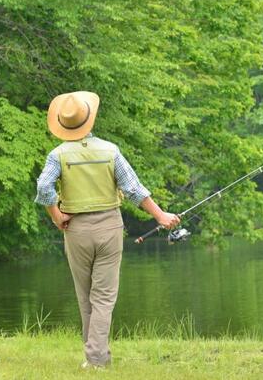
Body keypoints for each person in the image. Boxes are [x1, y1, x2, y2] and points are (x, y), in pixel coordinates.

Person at [34, 91, 179, 368]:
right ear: (90, 118)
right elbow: (133, 189)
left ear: (64, 124)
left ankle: (94, 357)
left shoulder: (58, 154)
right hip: (110, 227)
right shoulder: (110, 150)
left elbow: (43, 187)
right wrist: (160, 215)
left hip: (76, 229)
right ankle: (98, 358)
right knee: (104, 297)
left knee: (85, 294)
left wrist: (56, 215)